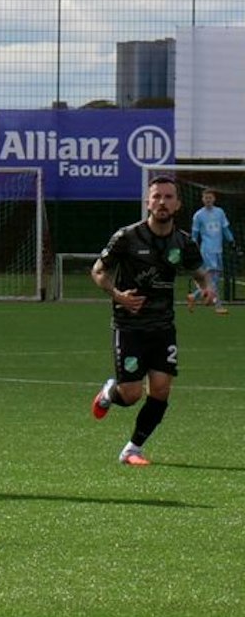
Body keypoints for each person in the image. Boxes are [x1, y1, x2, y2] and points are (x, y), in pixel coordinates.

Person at [89, 175, 214, 467]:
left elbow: (199, 271)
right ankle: (110, 391)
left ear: (178, 204)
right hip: (129, 326)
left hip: (163, 326)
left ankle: (132, 449)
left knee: (160, 389)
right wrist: (117, 295)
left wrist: (207, 286)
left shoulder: (182, 241)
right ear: (148, 202)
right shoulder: (127, 237)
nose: (162, 202)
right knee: (131, 394)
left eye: (168, 197)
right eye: (157, 196)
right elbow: (98, 270)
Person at [188, 188, 234, 314]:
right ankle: (218, 306)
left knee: (216, 278)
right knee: (212, 278)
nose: (208, 200)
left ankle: (194, 296)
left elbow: (225, 228)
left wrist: (231, 240)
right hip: (207, 250)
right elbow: (194, 234)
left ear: (214, 199)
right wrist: (193, 247)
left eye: (210, 197)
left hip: (218, 250)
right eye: (206, 198)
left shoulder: (220, 212)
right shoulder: (198, 215)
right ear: (202, 199)